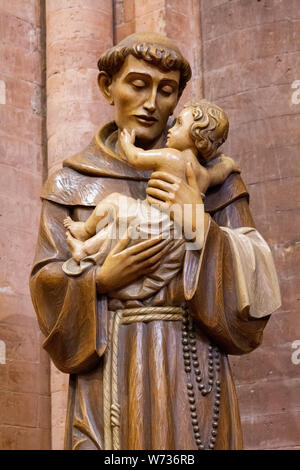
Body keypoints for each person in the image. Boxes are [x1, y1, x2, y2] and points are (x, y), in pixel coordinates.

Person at [30, 32, 281, 450]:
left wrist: (197, 220)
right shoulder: (72, 182)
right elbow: (46, 282)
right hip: (111, 372)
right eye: (138, 84)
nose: (151, 103)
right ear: (108, 87)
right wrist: (98, 282)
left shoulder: (212, 180)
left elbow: (256, 285)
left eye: (166, 91)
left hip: (194, 368)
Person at [62, 100, 239, 276]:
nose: (171, 129)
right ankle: (84, 250)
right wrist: (230, 164)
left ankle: (85, 231)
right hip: (174, 231)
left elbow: (137, 158)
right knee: (119, 228)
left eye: (179, 124)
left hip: (153, 216)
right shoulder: (203, 173)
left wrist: (126, 144)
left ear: (198, 138)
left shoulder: (172, 156)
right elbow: (221, 172)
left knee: (113, 203)